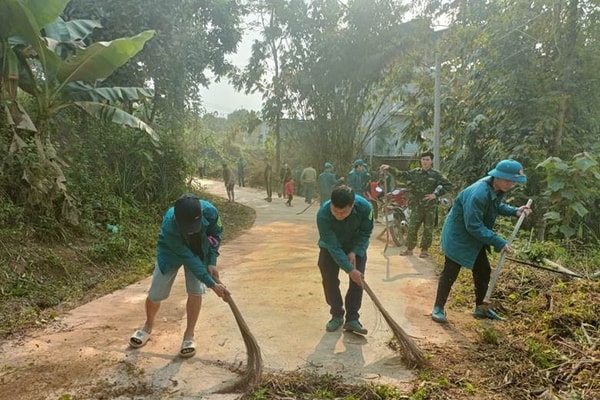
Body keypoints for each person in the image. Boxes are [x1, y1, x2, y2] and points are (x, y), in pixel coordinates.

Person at [129, 193, 230, 357]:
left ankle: (189, 335)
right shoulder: (169, 223)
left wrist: (211, 261)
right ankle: (148, 326)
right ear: (177, 219)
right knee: (156, 292)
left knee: (195, 290)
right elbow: (187, 258)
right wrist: (212, 284)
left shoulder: (211, 212)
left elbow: (215, 234)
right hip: (172, 253)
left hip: (199, 250)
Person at [431, 159, 531, 323]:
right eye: (508, 180)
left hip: (475, 237)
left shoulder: (496, 188)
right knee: (450, 272)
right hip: (458, 236)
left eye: (514, 181)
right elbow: (474, 225)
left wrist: (515, 211)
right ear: (497, 176)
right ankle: (438, 308)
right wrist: (499, 242)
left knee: (483, 271)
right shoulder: (479, 192)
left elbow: (495, 206)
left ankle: (481, 308)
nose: (511, 184)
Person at [316, 185, 374, 335]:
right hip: (330, 247)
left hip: (355, 245)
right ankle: (336, 314)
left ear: (352, 205)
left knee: (357, 281)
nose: (339, 215)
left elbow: (365, 232)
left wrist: (355, 251)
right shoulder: (323, 214)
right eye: (335, 211)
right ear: (331, 204)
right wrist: (349, 269)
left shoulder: (365, 208)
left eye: (344, 212)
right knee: (329, 280)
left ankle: (352, 318)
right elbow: (333, 246)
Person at [380, 151, 453, 258]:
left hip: (430, 207)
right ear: (420, 161)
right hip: (417, 206)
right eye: (423, 159)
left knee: (428, 229)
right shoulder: (414, 173)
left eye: (427, 159)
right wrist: (389, 168)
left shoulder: (436, 175)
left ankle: (424, 250)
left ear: (431, 161)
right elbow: (401, 175)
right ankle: (409, 249)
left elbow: (449, 185)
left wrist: (435, 195)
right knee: (412, 228)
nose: (425, 162)